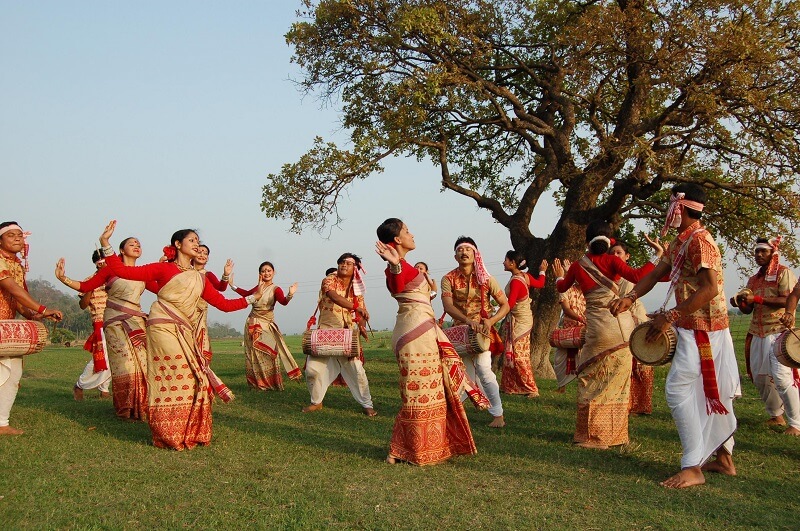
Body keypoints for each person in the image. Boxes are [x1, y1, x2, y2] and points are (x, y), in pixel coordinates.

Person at [610, 183, 740, 488]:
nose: (667, 213)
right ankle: (723, 458)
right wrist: (629, 298)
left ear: (680, 208)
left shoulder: (699, 242)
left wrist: (670, 316)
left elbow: (710, 289)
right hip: (694, 327)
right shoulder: (682, 241)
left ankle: (693, 466)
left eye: (670, 206)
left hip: (703, 331)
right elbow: (655, 274)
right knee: (710, 393)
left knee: (679, 390)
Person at [95, 221, 261, 450]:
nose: (196, 244)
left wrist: (252, 299)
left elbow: (223, 304)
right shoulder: (163, 269)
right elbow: (124, 271)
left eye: (197, 241)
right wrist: (106, 243)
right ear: (178, 244)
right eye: (192, 240)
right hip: (162, 326)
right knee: (173, 375)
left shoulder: (199, 278)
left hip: (184, 330)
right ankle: (166, 431)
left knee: (195, 378)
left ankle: (186, 429)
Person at [376, 218, 489, 465]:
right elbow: (395, 286)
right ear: (397, 239)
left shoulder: (408, 266)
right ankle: (411, 449)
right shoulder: (396, 268)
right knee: (416, 393)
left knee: (431, 389)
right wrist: (395, 266)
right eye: (407, 231)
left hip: (425, 331)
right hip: (413, 334)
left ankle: (414, 447)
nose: (411, 234)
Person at [552, 221, 656, 450]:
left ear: (587, 242)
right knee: (617, 383)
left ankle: (591, 436)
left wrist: (559, 276)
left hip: (598, 329)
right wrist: (657, 256)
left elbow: (562, 288)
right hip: (622, 329)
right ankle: (615, 435)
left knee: (590, 379)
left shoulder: (579, 265)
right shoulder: (613, 261)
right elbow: (639, 276)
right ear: (609, 242)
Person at [57, 236, 151, 421]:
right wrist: (63, 278)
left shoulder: (142, 271)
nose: (137, 246)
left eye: (139, 244)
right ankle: (125, 406)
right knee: (119, 362)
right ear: (121, 251)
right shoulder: (108, 271)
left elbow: (163, 284)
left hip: (136, 321)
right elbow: (84, 290)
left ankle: (141, 404)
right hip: (112, 321)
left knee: (141, 361)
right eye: (131, 244)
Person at [0, 221, 63, 435]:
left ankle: (2, 423)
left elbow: (18, 302)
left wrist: (36, 315)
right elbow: (13, 289)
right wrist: (43, 308)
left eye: (20, 235)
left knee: (13, 373)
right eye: (11, 235)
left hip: (7, 329)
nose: (18, 238)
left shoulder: (16, 265)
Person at [441, 236, 509, 428]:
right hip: (459, 333)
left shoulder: (486, 279)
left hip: (482, 333)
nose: (464, 252)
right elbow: (447, 305)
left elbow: (505, 304)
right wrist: (467, 320)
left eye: (468, 249)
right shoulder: (448, 278)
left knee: (484, 372)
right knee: (462, 375)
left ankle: (498, 415)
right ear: (455, 256)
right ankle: (456, 414)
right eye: (460, 250)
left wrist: (491, 320)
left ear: (475, 254)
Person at [735, 237, 800, 436]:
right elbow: (749, 309)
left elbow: (787, 299)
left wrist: (757, 298)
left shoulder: (783, 273)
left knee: (781, 378)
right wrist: (742, 303)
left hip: (778, 331)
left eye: (763, 251)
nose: (759, 255)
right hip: (757, 331)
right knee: (760, 377)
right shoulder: (753, 280)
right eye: (756, 252)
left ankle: (796, 424)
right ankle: (776, 416)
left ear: (773, 253)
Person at [303, 253, 376, 416]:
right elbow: (333, 296)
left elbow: (362, 312)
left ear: (355, 269)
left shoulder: (357, 290)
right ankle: (316, 402)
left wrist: (362, 326)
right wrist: (355, 307)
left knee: (357, 370)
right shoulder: (329, 280)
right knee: (312, 370)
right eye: (341, 262)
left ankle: (367, 404)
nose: (343, 265)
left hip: (347, 335)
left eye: (348, 263)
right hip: (326, 331)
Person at [609, 237, 664, 415]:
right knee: (625, 366)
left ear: (627, 257)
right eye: (612, 253)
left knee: (641, 365)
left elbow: (647, 276)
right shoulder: (608, 276)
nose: (615, 256)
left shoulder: (629, 277)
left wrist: (659, 254)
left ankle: (642, 405)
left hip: (636, 323)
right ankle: (627, 403)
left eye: (619, 253)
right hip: (618, 326)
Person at [232, 261, 302, 390]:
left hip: (267, 324)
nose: (266, 273)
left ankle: (271, 383)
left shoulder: (276, 289)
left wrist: (290, 294)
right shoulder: (257, 288)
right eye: (263, 271)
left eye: (269, 270)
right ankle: (257, 384)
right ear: (260, 274)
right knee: (254, 354)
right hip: (253, 323)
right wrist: (233, 286)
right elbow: (246, 294)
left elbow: (283, 302)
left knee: (270, 352)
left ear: (274, 273)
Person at [500, 250, 547, 397]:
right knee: (514, 351)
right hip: (523, 319)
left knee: (519, 355)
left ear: (513, 263)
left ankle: (531, 388)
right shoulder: (524, 277)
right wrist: (542, 272)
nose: (503, 262)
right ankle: (510, 386)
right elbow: (540, 283)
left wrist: (495, 314)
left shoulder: (515, 281)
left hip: (520, 321)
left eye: (506, 260)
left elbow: (511, 303)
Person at [71, 251, 112, 401]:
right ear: (96, 263)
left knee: (115, 355)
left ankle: (104, 388)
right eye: (100, 262)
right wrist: (92, 285)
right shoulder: (89, 280)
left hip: (117, 319)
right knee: (101, 357)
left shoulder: (115, 279)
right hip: (100, 320)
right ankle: (80, 384)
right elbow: (83, 305)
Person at [192, 244, 232, 363]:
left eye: (205, 253)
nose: (202, 255)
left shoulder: (207, 275)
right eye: (199, 252)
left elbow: (221, 287)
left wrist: (226, 274)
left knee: (199, 343)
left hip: (199, 313)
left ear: (208, 258)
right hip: (183, 311)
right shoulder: (185, 272)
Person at [552, 266, 585, 393]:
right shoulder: (567, 289)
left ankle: (583, 385)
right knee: (560, 359)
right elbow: (566, 309)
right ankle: (561, 386)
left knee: (584, 358)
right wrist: (581, 318)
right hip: (567, 329)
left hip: (585, 330)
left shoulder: (591, 291)